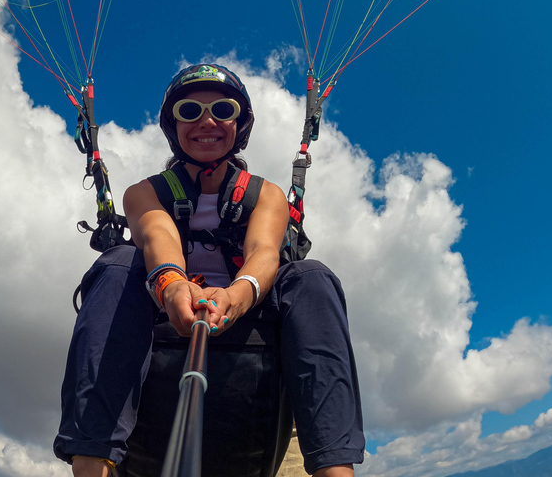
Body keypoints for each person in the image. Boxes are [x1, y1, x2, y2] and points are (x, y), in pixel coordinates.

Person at [54, 64, 364, 477]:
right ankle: (92, 464)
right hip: (163, 311)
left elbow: (264, 251)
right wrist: (170, 285)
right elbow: (156, 233)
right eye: (189, 111)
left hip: (247, 310)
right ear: (173, 125)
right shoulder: (145, 192)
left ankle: (335, 470)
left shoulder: (267, 194)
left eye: (222, 108)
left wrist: (235, 296)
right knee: (117, 264)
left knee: (311, 277)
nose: (206, 121)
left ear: (241, 123)